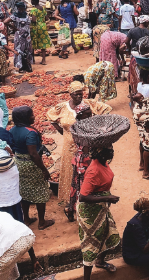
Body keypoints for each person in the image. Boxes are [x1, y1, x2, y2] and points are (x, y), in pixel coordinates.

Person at [46, 81, 110, 221]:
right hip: (70, 147)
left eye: (81, 94)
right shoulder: (63, 107)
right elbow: (50, 116)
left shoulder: (88, 105)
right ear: (70, 94)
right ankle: (72, 204)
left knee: (83, 179)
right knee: (72, 177)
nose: (79, 96)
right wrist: (63, 131)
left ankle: (78, 204)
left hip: (84, 151)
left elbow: (106, 109)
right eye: (76, 94)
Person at [78, 146, 122, 280]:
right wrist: (107, 198)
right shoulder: (94, 170)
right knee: (91, 245)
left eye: (112, 149)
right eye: (109, 150)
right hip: (90, 213)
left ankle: (100, 261)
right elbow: (83, 197)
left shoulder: (104, 163)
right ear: (101, 153)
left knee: (107, 233)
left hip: (102, 208)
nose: (112, 152)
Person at [9, 106, 54, 230]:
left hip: (19, 163)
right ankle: (42, 222)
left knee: (24, 191)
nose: (34, 117)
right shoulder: (30, 133)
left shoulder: (12, 130)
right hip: (31, 165)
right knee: (40, 191)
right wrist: (44, 170)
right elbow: (33, 154)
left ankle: (26, 219)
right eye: (31, 115)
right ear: (25, 117)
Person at [12, 2, 34, 73]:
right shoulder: (15, 15)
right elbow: (5, 21)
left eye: (23, 8)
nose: (22, 10)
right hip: (19, 36)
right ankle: (20, 66)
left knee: (27, 50)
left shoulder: (26, 15)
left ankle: (27, 66)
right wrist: (14, 28)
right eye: (20, 8)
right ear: (18, 8)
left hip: (27, 36)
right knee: (19, 50)